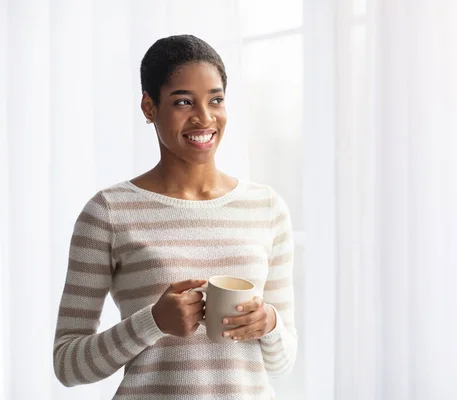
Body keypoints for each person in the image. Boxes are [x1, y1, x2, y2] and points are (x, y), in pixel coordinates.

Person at [53, 34, 297, 399]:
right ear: (149, 108)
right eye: (184, 101)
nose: (204, 117)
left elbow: (282, 362)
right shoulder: (108, 212)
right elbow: (67, 366)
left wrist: (270, 324)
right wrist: (151, 322)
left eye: (216, 100)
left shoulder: (266, 207)